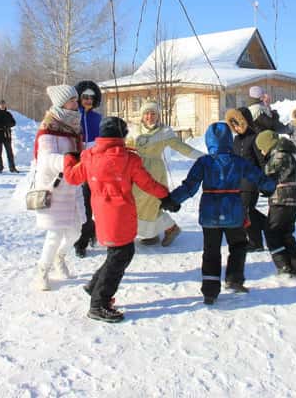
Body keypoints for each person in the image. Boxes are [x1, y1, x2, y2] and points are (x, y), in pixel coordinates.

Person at [64, 116, 169, 322]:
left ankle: (95, 286)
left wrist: (69, 157)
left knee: (117, 253)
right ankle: (98, 304)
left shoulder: (89, 156)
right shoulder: (129, 159)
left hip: (102, 214)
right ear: (122, 135)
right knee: (121, 255)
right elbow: (147, 183)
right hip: (120, 215)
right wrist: (166, 196)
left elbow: (71, 177)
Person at [165, 121, 275, 305]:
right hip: (233, 211)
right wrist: (271, 186)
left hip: (210, 213)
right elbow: (257, 177)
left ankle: (210, 291)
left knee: (211, 251)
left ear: (209, 141)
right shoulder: (238, 161)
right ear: (229, 141)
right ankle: (234, 279)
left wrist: (172, 200)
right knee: (238, 245)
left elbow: (189, 186)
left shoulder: (204, 162)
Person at [126, 100, 204, 247]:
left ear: (158, 116)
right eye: (147, 113)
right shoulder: (135, 131)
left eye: (153, 113)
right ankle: (151, 233)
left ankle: (171, 228)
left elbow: (182, 148)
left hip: (154, 171)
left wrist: (203, 157)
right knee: (136, 202)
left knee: (152, 202)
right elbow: (126, 147)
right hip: (136, 170)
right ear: (142, 116)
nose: (150, 116)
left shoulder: (164, 133)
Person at [32, 84, 85, 291]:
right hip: (53, 189)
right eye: (72, 100)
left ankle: (59, 257)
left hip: (73, 185)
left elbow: (81, 151)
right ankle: (42, 272)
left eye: (75, 99)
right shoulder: (49, 128)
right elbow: (46, 160)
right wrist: (70, 160)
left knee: (76, 231)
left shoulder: (73, 126)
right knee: (54, 234)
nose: (76, 103)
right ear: (62, 103)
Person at [255, 130, 296, 276]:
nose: (261, 150)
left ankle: (284, 266)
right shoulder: (286, 154)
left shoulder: (279, 155)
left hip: (282, 199)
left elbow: (267, 174)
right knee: (286, 233)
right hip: (292, 198)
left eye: (261, 147)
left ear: (268, 144)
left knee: (271, 231)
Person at [226, 106, 267, 251]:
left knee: (247, 210)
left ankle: (257, 241)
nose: (236, 128)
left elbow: (262, 162)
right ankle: (268, 226)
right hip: (238, 182)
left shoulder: (255, 137)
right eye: (233, 125)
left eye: (237, 123)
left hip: (251, 181)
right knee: (245, 211)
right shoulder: (236, 140)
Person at [73, 80, 102, 258]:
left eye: (92, 97)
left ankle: (94, 230)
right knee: (82, 205)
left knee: (95, 202)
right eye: (85, 97)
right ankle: (81, 241)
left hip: (95, 165)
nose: (88, 100)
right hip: (77, 164)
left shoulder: (98, 118)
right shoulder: (73, 115)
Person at [0, 100, 19, 173]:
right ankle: (0, 168)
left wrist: (7, 125)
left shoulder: (8, 114)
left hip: (7, 135)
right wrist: (3, 125)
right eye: (1, 105)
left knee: (10, 152)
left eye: (4, 104)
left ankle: (12, 168)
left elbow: (13, 123)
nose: (3, 106)